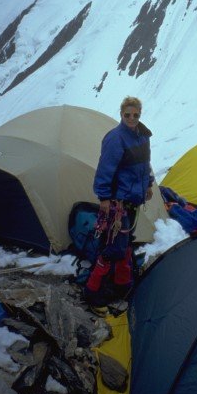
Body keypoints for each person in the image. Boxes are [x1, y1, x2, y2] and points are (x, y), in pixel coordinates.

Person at [84, 96, 154, 312]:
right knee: (113, 246)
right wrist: (104, 198)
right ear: (121, 114)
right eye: (127, 115)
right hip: (117, 202)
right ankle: (93, 292)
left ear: (140, 114)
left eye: (136, 114)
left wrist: (149, 184)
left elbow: (145, 164)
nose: (132, 118)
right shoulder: (115, 138)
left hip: (133, 200)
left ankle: (122, 284)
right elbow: (105, 169)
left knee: (124, 243)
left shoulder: (142, 136)